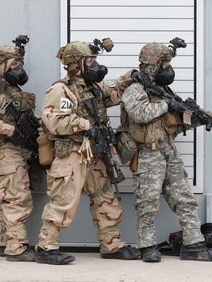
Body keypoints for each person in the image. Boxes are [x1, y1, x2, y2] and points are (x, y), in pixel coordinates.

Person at [35, 40, 146, 265]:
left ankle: (111, 245)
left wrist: (132, 76)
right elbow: (55, 122)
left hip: (95, 154)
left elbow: (115, 94)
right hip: (73, 154)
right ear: (75, 64)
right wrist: (86, 125)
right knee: (64, 201)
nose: (96, 65)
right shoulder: (61, 89)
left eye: (95, 60)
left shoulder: (94, 87)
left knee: (105, 198)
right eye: (90, 60)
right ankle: (46, 248)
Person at [121, 42, 212, 262]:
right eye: (165, 63)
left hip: (168, 150)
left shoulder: (164, 91)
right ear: (152, 64)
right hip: (148, 153)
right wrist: (167, 105)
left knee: (184, 198)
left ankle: (193, 244)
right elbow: (140, 113)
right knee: (147, 203)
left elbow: (173, 122)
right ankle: (147, 246)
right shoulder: (134, 89)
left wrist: (199, 118)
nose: (168, 68)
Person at [0, 45, 37, 261]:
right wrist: (12, 130)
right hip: (5, 150)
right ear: (1, 66)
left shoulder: (16, 92)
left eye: (20, 64)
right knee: (16, 199)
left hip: (18, 151)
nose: (19, 68)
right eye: (14, 64)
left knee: (9, 198)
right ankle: (17, 247)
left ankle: (5, 242)